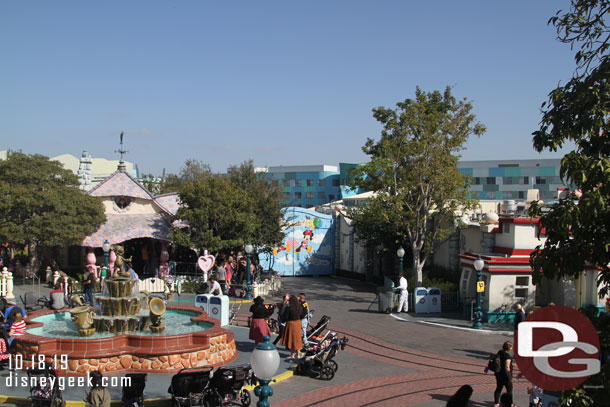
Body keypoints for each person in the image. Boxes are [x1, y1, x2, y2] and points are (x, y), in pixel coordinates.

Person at [281, 295, 303, 359]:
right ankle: (298, 354)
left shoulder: (289, 308)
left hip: (291, 323)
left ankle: (292, 355)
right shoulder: (299, 307)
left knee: (292, 339)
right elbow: (301, 315)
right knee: (297, 338)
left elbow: (285, 316)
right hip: (298, 323)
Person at [493, 341, 514, 406]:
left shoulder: (500, 352)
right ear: (509, 348)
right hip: (505, 376)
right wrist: (509, 377)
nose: (511, 348)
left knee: (498, 388)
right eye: (511, 347)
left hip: (499, 374)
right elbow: (507, 367)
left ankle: (496, 403)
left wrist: (512, 364)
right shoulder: (508, 356)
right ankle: (509, 404)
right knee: (509, 390)